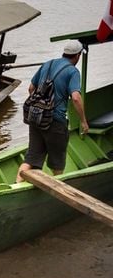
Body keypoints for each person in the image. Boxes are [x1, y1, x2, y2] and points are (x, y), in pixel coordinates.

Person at [17, 40, 88, 182]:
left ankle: (17, 184)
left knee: (31, 157)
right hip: (55, 121)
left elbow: (31, 88)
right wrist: (83, 121)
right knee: (57, 162)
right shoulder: (72, 71)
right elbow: (75, 98)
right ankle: (59, 189)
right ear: (77, 56)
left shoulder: (47, 64)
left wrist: (41, 107)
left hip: (36, 118)